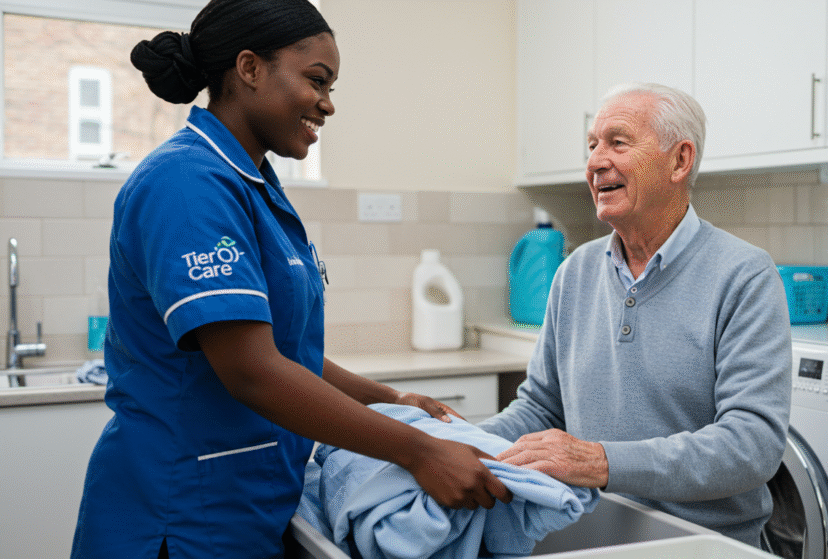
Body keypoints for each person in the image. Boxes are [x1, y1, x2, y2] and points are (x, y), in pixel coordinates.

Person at [71, 1, 510, 557]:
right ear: (250, 68)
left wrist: (390, 397)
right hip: (177, 516)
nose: (327, 104)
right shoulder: (187, 183)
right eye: (317, 80)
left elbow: (282, 349)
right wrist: (418, 451)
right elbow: (253, 370)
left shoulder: (254, 185)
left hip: (243, 507)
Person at [476, 82, 792, 547]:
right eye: (591, 145)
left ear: (679, 161)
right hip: (588, 532)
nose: (595, 161)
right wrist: (462, 443)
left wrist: (602, 462)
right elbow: (541, 409)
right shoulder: (574, 272)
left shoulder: (744, 275)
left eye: (617, 142)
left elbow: (751, 446)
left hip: (703, 544)